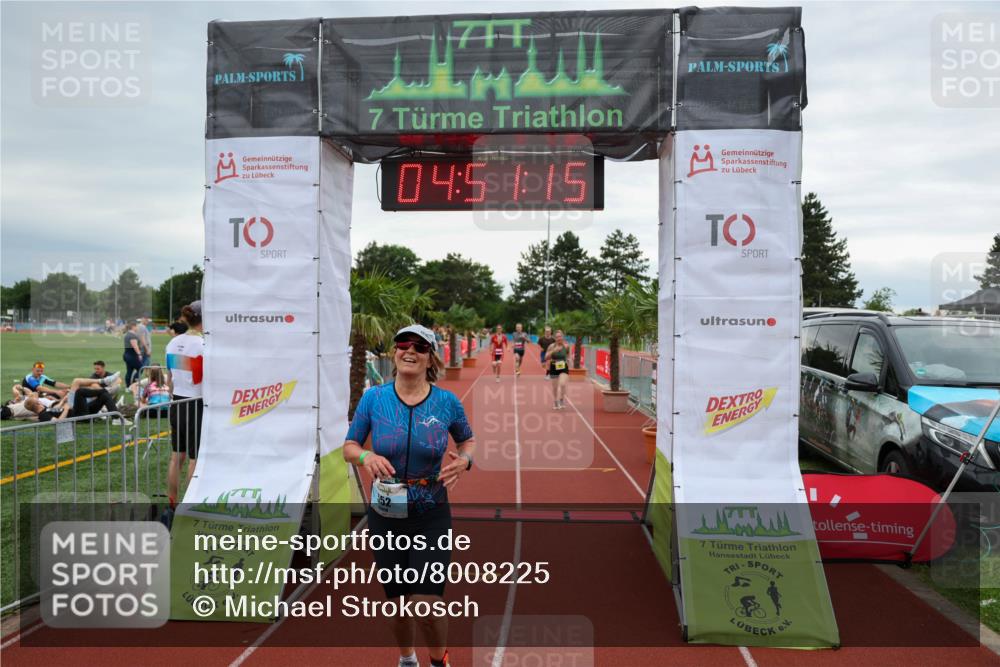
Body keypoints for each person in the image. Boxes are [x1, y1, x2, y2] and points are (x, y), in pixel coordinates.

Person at [343, 324, 475, 667]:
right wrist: (366, 456)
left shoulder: (447, 403)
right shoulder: (374, 398)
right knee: (398, 603)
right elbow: (349, 446)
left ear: (430, 356)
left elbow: (467, 441)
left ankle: (439, 660)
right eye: (403, 343)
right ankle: (407, 659)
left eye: (419, 345)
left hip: (430, 511)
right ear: (394, 352)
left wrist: (465, 460)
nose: (409, 350)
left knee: (426, 604)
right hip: (385, 515)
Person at [165, 302, 205, 508]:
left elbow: (169, 379)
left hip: (177, 402)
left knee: (176, 458)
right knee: (194, 459)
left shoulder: (173, 343)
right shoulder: (203, 345)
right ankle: (190, 506)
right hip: (195, 404)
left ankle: (172, 503)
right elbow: (204, 378)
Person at [545, 329, 571, 410]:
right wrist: (553, 351)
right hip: (554, 366)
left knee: (562, 384)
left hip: (563, 367)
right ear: (555, 338)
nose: (559, 338)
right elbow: (546, 357)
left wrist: (568, 361)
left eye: (560, 336)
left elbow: (568, 355)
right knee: (555, 387)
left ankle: (561, 400)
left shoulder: (566, 346)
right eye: (557, 337)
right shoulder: (551, 346)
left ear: (562, 337)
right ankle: (556, 401)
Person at [123, 322, 144, 386]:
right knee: (141, 368)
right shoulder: (132, 335)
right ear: (133, 326)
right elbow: (135, 346)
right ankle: (134, 384)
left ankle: (128, 386)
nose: (137, 328)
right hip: (132, 356)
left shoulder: (128, 334)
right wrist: (139, 354)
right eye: (136, 326)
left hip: (127, 355)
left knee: (129, 371)